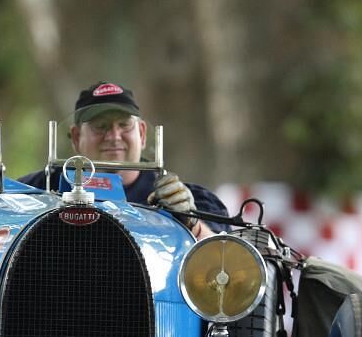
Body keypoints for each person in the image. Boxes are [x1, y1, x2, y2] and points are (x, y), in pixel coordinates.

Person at [19, 82, 228, 238]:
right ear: (76, 137)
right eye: (100, 125)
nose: (114, 136)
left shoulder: (186, 199)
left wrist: (191, 222)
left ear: (143, 133)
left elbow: (224, 257)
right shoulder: (34, 189)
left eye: (124, 125)